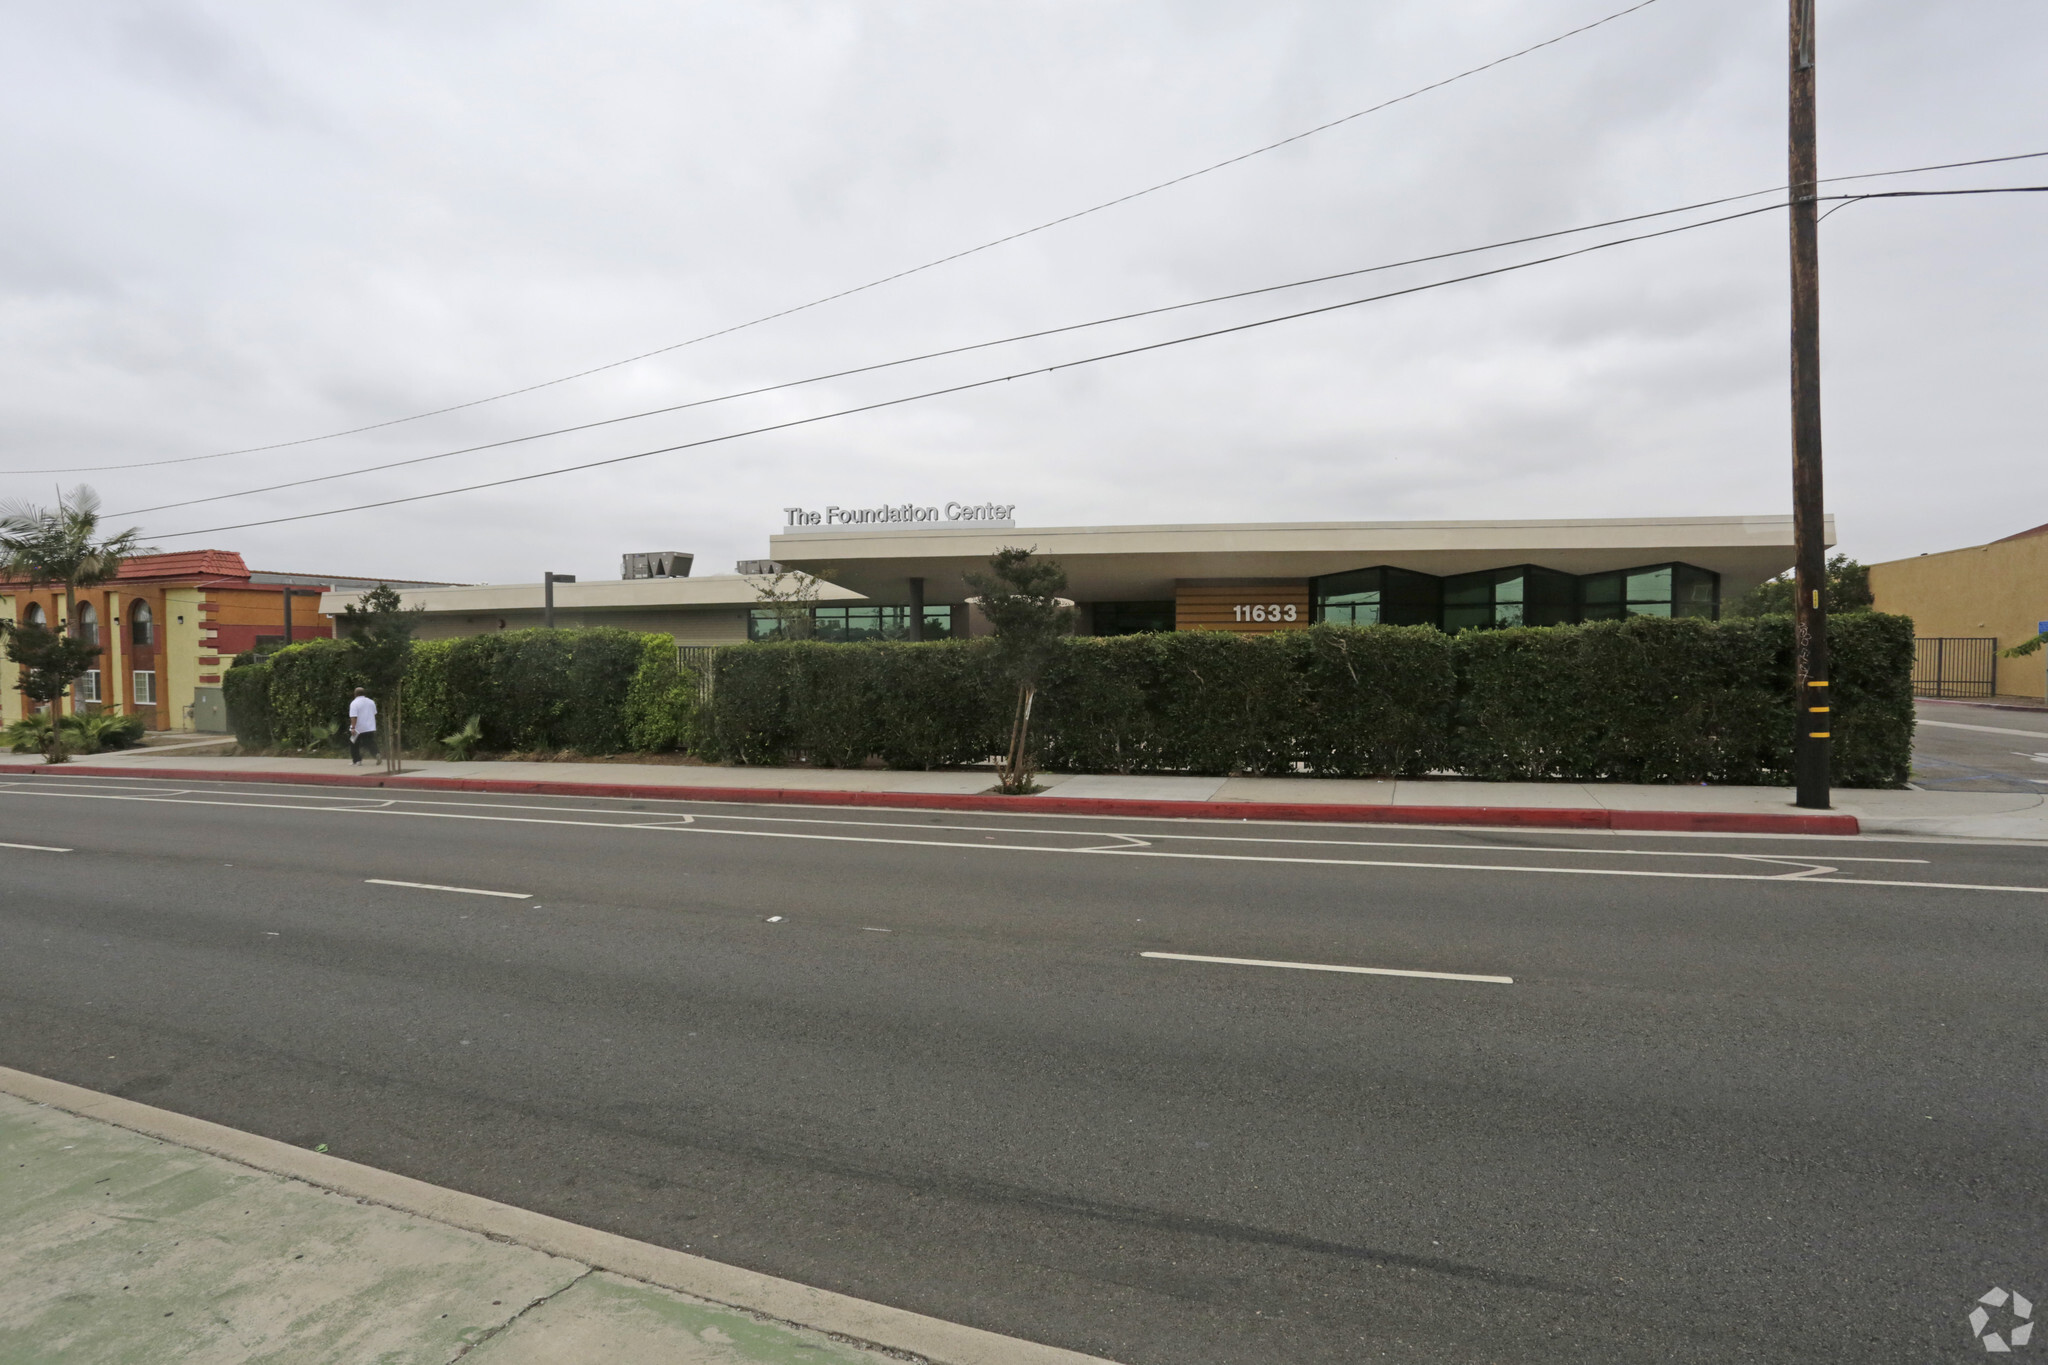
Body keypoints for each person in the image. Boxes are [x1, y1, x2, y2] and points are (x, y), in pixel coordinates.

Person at [348, 687, 379, 765]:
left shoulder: (354, 703)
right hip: (370, 727)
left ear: (355, 694)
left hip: (359, 728)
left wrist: (353, 728)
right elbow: (374, 713)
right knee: (370, 742)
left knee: (354, 744)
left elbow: (353, 716)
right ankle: (377, 754)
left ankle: (357, 760)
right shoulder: (371, 702)